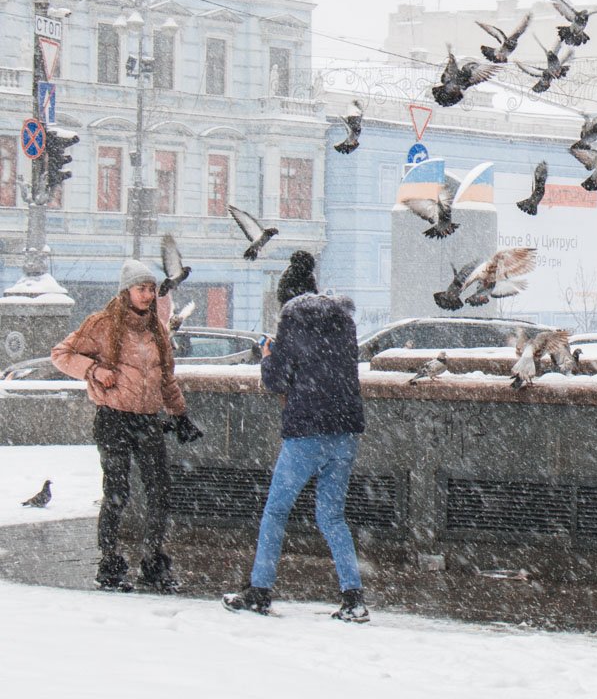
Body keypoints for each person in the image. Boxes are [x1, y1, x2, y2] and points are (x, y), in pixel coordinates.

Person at [222, 250, 369, 622]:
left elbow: (277, 380)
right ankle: (353, 598)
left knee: (276, 512)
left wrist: (269, 354)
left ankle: (259, 590)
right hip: (345, 430)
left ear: (287, 297)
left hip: (306, 431)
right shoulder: (344, 322)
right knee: (332, 517)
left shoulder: (293, 320)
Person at [51, 259, 202, 592]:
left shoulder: (157, 329)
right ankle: (110, 564)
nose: (148, 295)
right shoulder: (102, 324)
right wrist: (93, 371)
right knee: (117, 492)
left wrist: (180, 414)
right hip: (114, 418)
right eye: (141, 289)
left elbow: (165, 378)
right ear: (126, 291)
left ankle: (153, 562)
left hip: (148, 420)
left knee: (160, 490)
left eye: (150, 288)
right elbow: (61, 354)